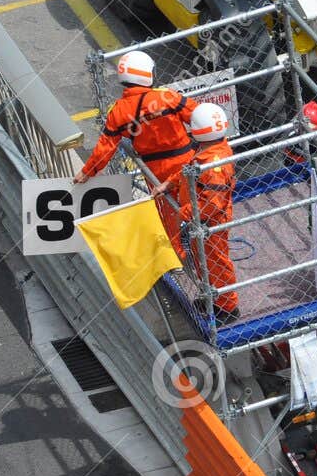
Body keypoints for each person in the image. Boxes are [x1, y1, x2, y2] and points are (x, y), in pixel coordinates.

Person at [78, 50, 198, 252]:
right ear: (147, 74)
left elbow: (105, 148)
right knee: (196, 205)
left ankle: (177, 255)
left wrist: (87, 172)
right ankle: (200, 248)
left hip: (154, 171)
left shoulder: (118, 111)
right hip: (186, 162)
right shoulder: (167, 97)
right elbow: (198, 116)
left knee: (168, 215)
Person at [181, 103, 240, 323]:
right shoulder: (210, 152)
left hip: (210, 223)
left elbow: (213, 204)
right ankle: (212, 297)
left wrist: (186, 212)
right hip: (203, 221)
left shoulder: (212, 163)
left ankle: (228, 308)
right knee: (205, 262)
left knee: (216, 263)